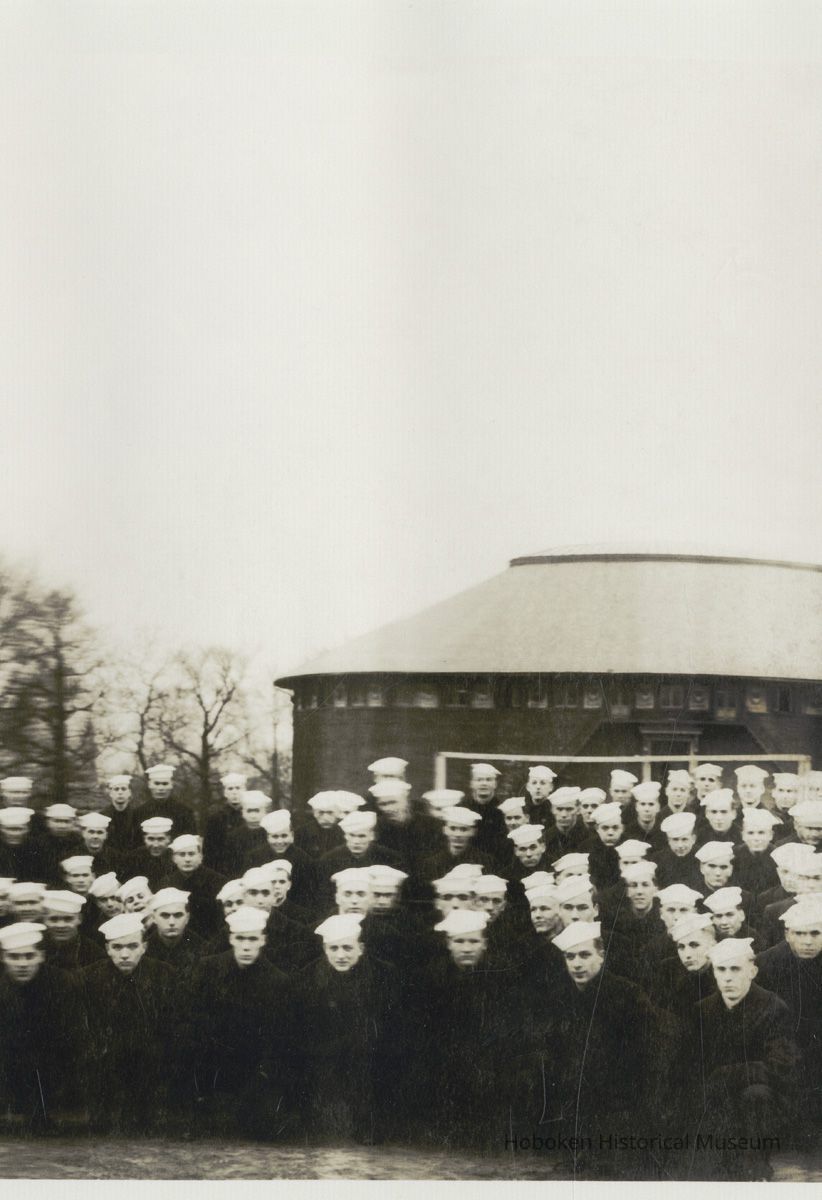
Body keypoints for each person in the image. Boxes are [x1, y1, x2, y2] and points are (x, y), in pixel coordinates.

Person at [688, 938, 800, 1180]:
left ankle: (756, 1171)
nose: (728, 978)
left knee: (755, 1095)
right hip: (717, 1094)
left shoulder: (773, 1008)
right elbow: (692, 1064)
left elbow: (778, 1067)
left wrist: (723, 1075)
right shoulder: (702, 1010)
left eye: (735, 969)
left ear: (752, 972)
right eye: (721, 969)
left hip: (765, 1098)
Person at [186, 905, 296, 1138]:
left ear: (263, 940)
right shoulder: (208, 969)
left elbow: (278, 1038)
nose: (246, 946)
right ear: (231, 939)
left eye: (252, 939)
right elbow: (195, 1021)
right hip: (213, 1062)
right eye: (240, 938)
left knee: (261, 1128)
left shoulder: (277, 981)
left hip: (253, 1066)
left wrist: (262, 1077)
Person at [293, 913, 402, 1143]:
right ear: (325, 949)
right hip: (322, 1048)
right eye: (333, 948)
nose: (340, 955)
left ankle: (367, 1124)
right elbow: (302, 1024)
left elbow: (388, 1021)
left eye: (347, 948)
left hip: (367, 1050)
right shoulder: (308, 977)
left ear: (360, 949)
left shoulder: (382, 975)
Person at [0, 920, 86, 1131]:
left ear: (41, 956)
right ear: (3, 957)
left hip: (51, 1069)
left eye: (29, 956)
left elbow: (72, 1036)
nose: (22, 964)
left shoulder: (62, 983)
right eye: (14, 957)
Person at [755, 898, 822, 1147]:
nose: (808, 941)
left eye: (815, 933)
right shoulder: (765, 963)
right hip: (780, 1039)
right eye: (800, 933)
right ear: (787, 934)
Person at [159, 834, 226, 938]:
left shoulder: (218, 881)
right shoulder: (166, 883)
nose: (187, 859)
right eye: (182, 855)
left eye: (191, 854)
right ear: (174, 858)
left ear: (200, 856)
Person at [144, 887, 204, 976]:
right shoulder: (144, 950)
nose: (171, 922)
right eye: (165, 915)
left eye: (178, 915)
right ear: (153, 918)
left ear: (187, 918)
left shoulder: (202, 948)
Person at [41, 890, 104, 972]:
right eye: (54, 919)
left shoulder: (94, 952)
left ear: (79, 919)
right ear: (44, 920)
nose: (61, 925)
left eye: (68, 919)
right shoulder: (37, 948)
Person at [202, 771, 246, 874]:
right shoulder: (216, 818)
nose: (234, 792)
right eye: (230, 788)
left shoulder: (251, 816)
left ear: (244, 790)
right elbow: (209, 851)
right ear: (225, 792)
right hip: (224, 869)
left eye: (238, 788)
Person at [139, 764, 197, 835]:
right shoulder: (139, 813)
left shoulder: (184, 812)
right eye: (156, 783)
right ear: (149, 785)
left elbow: (190, 838)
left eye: (165, 784)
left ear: (171, 785)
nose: (161, 788)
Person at [101, 774, 142, 852]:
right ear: (111, 793)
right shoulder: (103, 816)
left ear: (129, 792)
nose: (120, 792)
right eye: (116, 789)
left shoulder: (137, 815)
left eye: (123, 789)